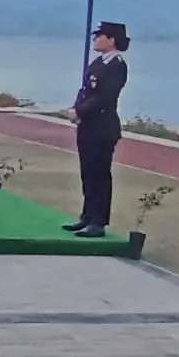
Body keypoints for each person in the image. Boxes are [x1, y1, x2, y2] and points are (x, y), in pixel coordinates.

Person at [66, 21, 129, 238]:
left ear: (111, 40)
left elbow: (104, 98)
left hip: (102, 127)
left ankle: (99, 221)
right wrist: (77, 109)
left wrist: (80, 112)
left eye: (100, 36)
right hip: (88, 126)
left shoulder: (116, 66)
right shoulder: (98, 63)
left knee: (100, 175)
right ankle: (87, 216)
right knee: (87, 173)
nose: (95, 39)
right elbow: (85, 91)